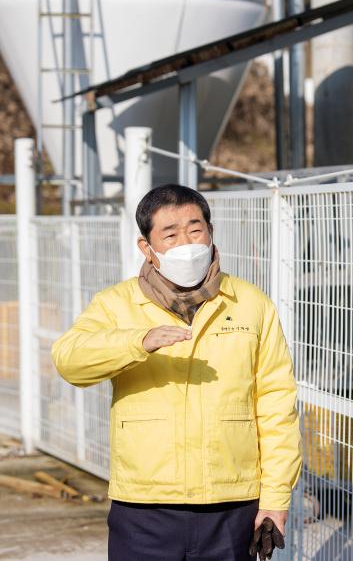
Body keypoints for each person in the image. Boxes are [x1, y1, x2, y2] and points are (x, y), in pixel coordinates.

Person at [52, 184, 301, 561]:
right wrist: (137, 341)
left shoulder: (251, 304)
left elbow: (276, 406)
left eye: (195, 229)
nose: (186, 242)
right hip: (145, 505)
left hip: (232, 502)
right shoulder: (117, 304)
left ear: (211, 232)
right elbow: (69, 360)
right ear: (146, 248)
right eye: (170, 234)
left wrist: (275, 499)